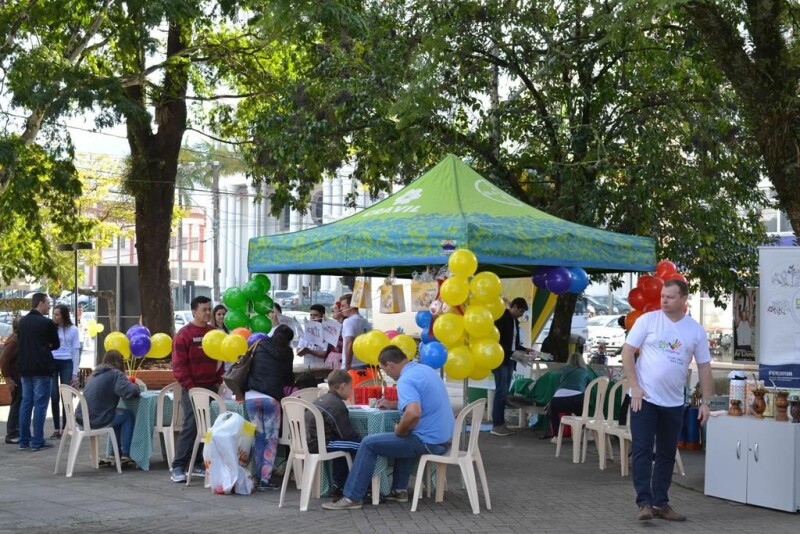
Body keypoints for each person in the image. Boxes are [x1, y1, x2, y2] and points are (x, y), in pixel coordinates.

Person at [621, 279, 713, 522]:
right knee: (641, 449)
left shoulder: (694, 330)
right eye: (662, 296)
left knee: (666, 453)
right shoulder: (648, 320)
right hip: (645, 398)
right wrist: (635, 387)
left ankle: (661, 503)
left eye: (670, 297)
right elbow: (627, 351)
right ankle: (644, 503)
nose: (663, 300)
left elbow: (704, 367)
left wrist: (706, 401)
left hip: (673, 403)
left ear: (683, 300)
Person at [322, 346, 454, 510]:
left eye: (385, 370)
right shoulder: (425, 370)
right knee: (405, 436)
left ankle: (352, 497)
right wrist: (394, 405)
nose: (387, 375)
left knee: (368, 443)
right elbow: (422, 404)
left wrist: (399, 430)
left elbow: (413, 413)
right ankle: (399, 490)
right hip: (445, 439)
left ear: (390, 364)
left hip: (428, 441)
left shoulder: (406, 379)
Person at [169, 295, 221, 483]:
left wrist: (218, 381)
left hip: (211, 386)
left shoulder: (214, 333)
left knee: (208, 426)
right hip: (192, 388)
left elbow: (220, 358)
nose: (208, 313)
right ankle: (178, 466)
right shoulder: (184, 334)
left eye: (209, 309)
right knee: (191, 425)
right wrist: (190, 387)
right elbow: (179, 365)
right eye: (204, 310)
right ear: (194, 312)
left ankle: (198, 462)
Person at [245, 324, 295, 491]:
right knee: (271, 440)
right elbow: (289, 378)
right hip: (272, 399)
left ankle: (256, 476)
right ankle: (265, 480)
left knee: (258, 437)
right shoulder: (287, 353)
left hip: (252, 396)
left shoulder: (259, 345)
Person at [76, 350, 140, 465]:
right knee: (128, 415)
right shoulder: (115, 374)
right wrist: (136, 386)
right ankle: (126, 453)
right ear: (120, 362)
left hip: (82, 419)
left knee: (118, 414)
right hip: (97, 419)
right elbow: (127, 392)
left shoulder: (94, 374)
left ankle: (114, 453)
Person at [306, 370, 361, 495]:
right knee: (363, 446)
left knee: (344, 447)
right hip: (322, 443)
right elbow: (347, 435)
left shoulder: (322, 399)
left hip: (310, 441)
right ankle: (364, 488)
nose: (351, 390)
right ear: (343, 387)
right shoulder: (337, 405)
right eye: (350, 387)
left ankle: (339, 484)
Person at [17, 292, 60, 451]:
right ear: (40, 303)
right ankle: (37, 441)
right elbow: (55, 344)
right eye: (48, 303)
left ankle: (24, 440)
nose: (49, 306)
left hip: (25, 368)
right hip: (42, 367)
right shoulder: (46, 323)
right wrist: (46, 345)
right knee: (40, 405)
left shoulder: (22, 322)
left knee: (26, 403)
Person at [491, 297, 529, 436]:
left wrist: (526, 350)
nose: (521, 314)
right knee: (500, 392)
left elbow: (514, 344)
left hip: (509, 360)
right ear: (513, 307)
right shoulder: (502, 319)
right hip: (501, 360)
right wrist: (513, 352)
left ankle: (501, 423)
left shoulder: (515, 322)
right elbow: (498, 341)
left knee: (504, 393)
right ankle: (497, 424)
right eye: (520, 310)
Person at [50, 304, 81, 438]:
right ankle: (57, 428)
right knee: (54, 394)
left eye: (57, 314)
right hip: (52, 360)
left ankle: (66, 427)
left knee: (65, 394)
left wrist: (75, 373)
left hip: (66, 361)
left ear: (63, 315)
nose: (54, 317)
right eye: (53, 314)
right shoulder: (51, 328)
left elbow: (75, 351)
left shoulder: (73, 330)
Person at [548, 350, 592, 438]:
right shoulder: (585, 371)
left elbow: (558, 383)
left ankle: (556, 436)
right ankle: (581, 433)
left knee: (553, 413)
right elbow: (589, 387)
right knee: (583, 415)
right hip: (577, 398)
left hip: (559, 398)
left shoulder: (562, 370)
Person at [0, 318, 21, 444]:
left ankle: (15, 431)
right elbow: (4, 361)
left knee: (18, 404)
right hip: (15, 378)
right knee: (16, 404)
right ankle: (12, 432)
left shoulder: (16, 339)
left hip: (16, 377)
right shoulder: (14, 341)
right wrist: (8, 379)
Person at [339, 293, 371, 370]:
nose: (341, 309)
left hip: (352, 365)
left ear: (351, 306)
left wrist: (347, 365)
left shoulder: (348, 321)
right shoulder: (366, 322)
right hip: (364, 363)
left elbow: (349, 342)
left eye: (343, 306)